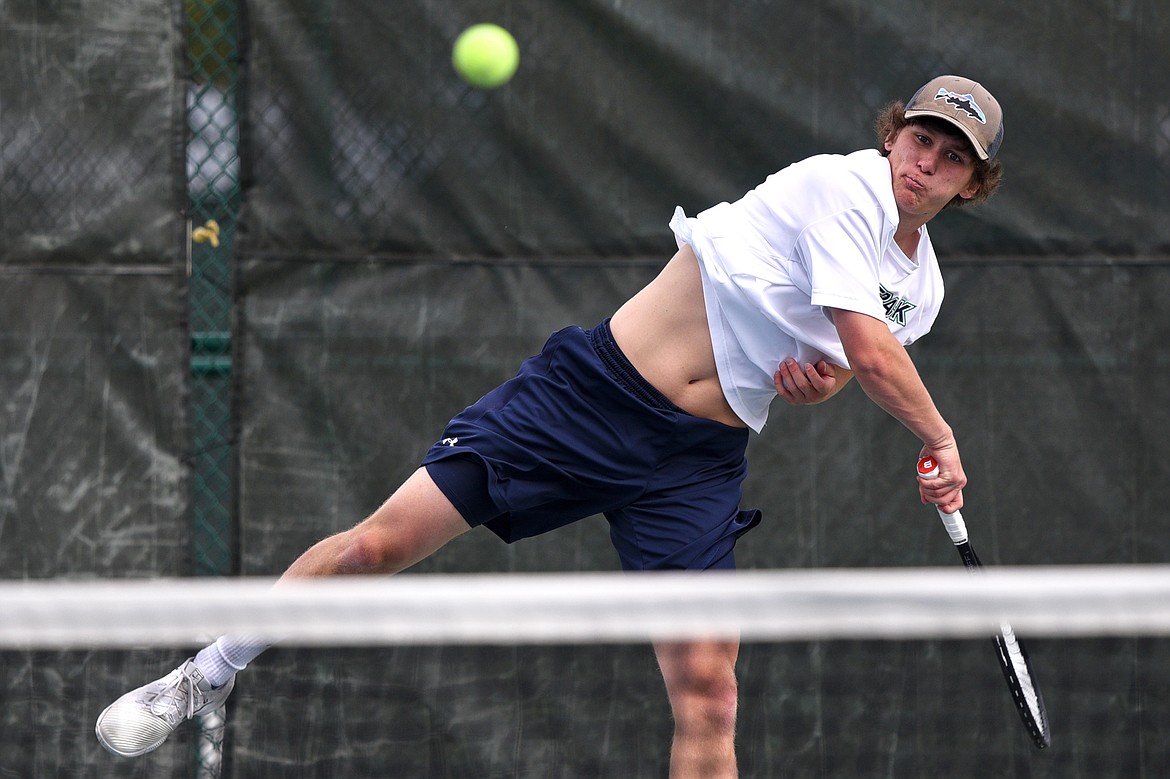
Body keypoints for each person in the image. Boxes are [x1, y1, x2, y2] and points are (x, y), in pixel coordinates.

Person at [96, 75, 1004, 777]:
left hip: (695, 461)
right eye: (920, 139)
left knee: (711, 692)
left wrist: (817, 389)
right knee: (378, 548)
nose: (926, 163)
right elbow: (877, 357)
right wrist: (941, 440)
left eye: (951, 157)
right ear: (892, 137)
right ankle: (207, 670)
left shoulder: (918, 288)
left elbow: (852, 364)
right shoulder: (838, 187)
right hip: (584, 401)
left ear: (971, 185)